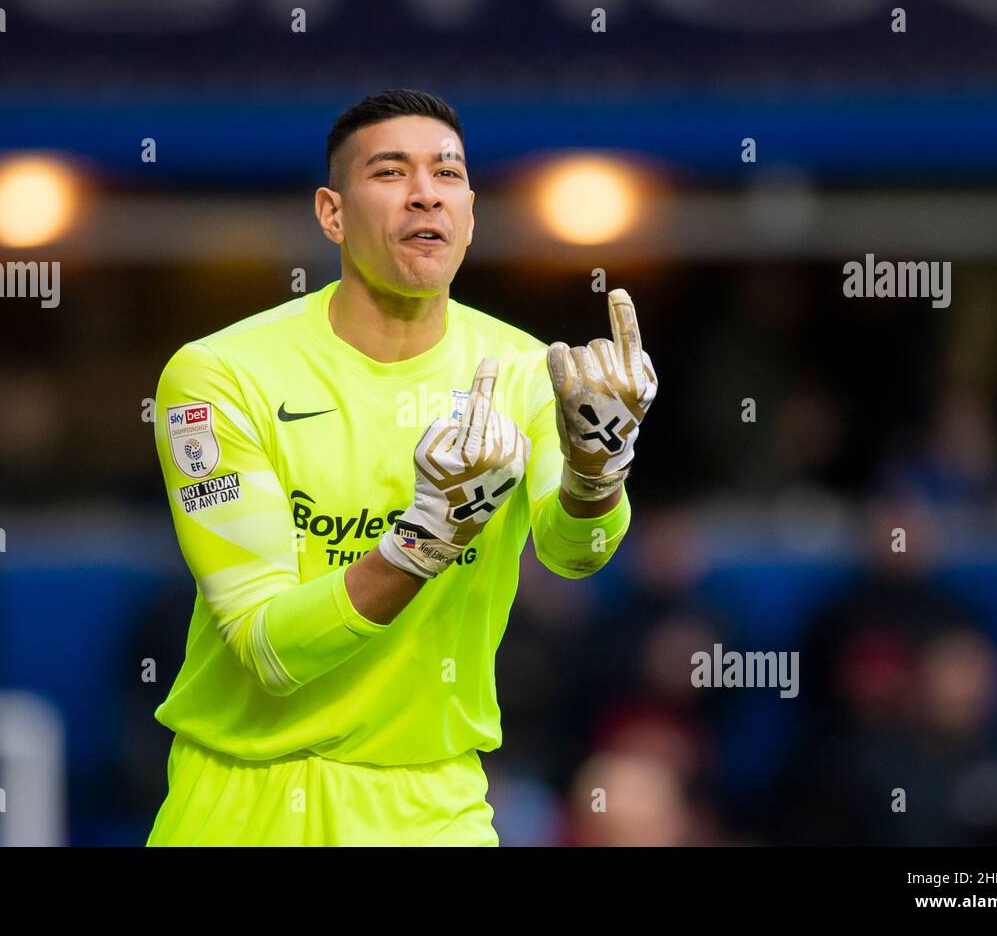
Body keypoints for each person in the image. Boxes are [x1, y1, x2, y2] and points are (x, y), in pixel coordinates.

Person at [146, 88, 657, 845]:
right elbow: (266, 648)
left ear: (472, 212)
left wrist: (595, 475)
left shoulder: (527, 371)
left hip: (430, 804)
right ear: (332, 213)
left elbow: (574, 553)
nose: (425, 194)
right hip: (239, 799)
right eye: (390, 173)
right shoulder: (219, 375)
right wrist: (424, 539)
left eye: (447, 175)